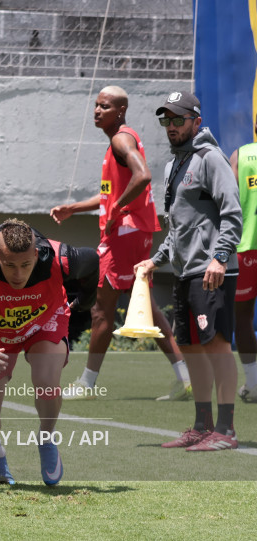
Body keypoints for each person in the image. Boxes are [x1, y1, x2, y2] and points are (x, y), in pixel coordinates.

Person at [50, 86, 190, 401]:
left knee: (102, 310)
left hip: (124, 235)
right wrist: (76, 207)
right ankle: (186, 378)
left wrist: (116, 209)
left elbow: (143, 176)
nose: (98, 111)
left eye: (105, 106)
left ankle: (87, 384)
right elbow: (112, 194)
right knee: (146, 307)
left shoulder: (120, 139)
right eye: (96, 106)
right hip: (134, 231)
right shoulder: (120, 140)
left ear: (121, 111)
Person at [0, 219, 98, 486]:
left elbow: (93, 260)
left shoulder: (61, 257)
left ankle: (46, 438)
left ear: (36, 254)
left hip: (44, 323)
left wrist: (85, 302)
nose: (18, 275)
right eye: (10, 265)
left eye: (26, 265)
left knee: (47, 382)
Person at [135, 91, 242, 451]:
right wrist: (155, 259)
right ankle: (201, 425)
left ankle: (225, 430)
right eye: (166, 120)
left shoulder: (211, 159)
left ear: (196, 121)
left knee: (217, 346)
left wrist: (220, 257)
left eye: (178, 120)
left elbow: (232, 214)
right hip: (185, 274)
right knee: (191, 347)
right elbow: (177, 229)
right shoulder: (172, 166)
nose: (171, 127)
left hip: (211, 271)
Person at [228, 115, 257, 403]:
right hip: (245, 246)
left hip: (247, 247)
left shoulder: (242, 154)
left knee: (243, 317)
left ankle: (255, 383)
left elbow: (227, 198)